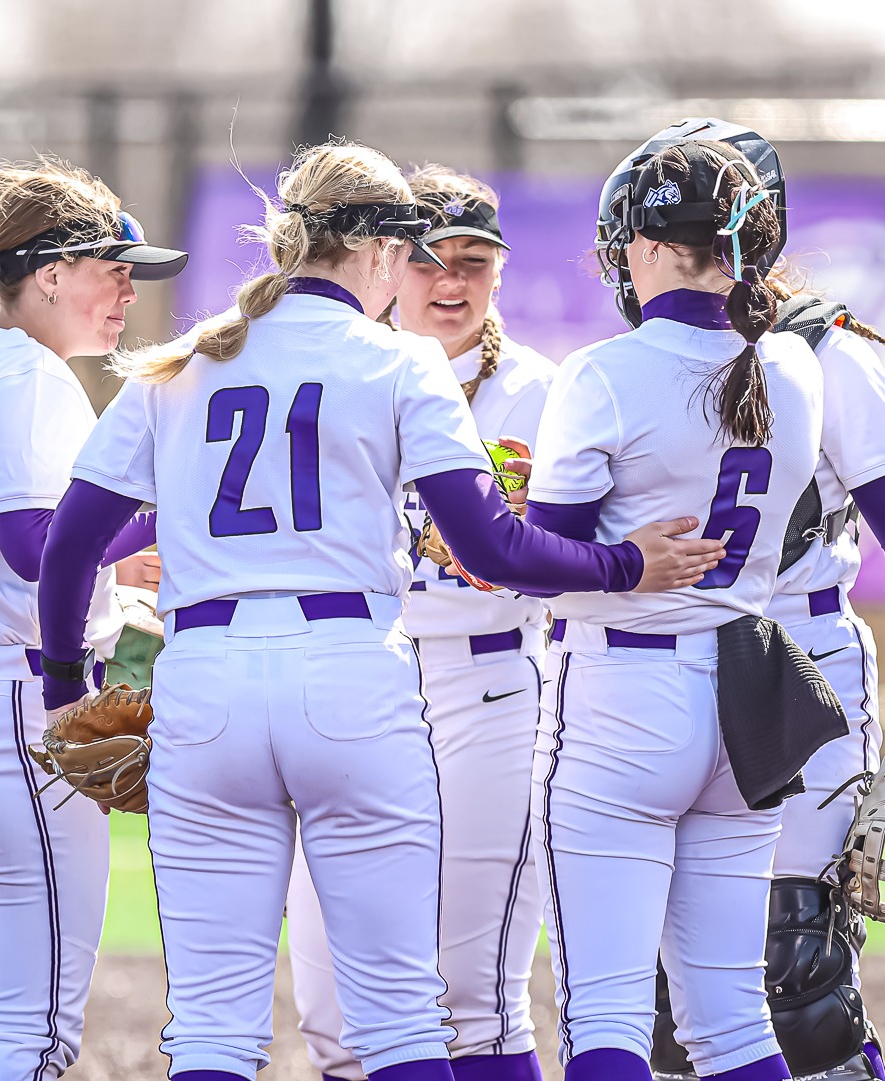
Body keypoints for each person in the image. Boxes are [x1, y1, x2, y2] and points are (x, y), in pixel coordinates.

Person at [34, 140, 724, 1081]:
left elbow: (69, 547)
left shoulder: (187, 360)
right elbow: (492, 548)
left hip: (206, 684)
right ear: (380, 249)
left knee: (212, 1029)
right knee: (402, 1019)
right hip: (349, 675)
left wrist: (66, 683)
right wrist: (624, 563)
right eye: (411, 251)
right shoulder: (398, 361)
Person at [612, 122, 885, 1081]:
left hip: (798, 659)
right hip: (669, 661)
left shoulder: (828, 355)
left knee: (792, 969)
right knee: (664, 994)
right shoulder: (642, 360)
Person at [524, 137, 827, 1081]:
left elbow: (545, 559)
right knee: (734, 1021)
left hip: (623, 693)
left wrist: (499, 535)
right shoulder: (793, 367)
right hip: (742, 698)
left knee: (606, 1011)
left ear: (647, 246)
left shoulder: (605, 372)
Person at [0, 159, 188, 1081]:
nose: (129, 289)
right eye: (112, 266)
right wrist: (161, 513)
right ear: (47, 273)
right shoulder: (29, 375)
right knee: (30, 1042)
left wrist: (109, 539)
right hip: (10, 718)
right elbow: (33, 545)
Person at [282, 165, 556, 1081]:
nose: (451, 280)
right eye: (430, 258)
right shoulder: (345, 368)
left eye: (475, 260)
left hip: (490, 681)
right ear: (389, 260)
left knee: (472, 990)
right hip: (360, 684)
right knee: (335, 1009)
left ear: (501, 272)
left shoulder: (543, 392)